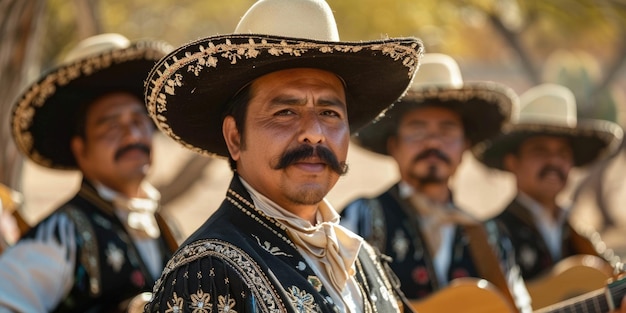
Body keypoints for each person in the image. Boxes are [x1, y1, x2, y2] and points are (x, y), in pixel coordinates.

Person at [142, 0, 423, 312]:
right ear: (236, 137)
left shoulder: (364, 259)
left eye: (329, 112)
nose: (314, 132)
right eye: (286, 112)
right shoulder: (207, 273)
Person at [0, 33, 180, 312]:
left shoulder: (163, 224)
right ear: (80, 149)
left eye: (138, 121)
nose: (132, 135)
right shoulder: (63, 233)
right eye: (111, 126)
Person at [340, 53, 532, 312]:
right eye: (418, 129)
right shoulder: (360, 217)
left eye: (447, 130)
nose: (432, 142)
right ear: (394, 145)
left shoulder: (489, 235)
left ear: (465, 147)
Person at [472, 83, 623, 280]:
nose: (554, 161)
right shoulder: (488, 237)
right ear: (512, 162)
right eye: (540, 151)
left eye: (563, 153)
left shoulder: (580, 236)